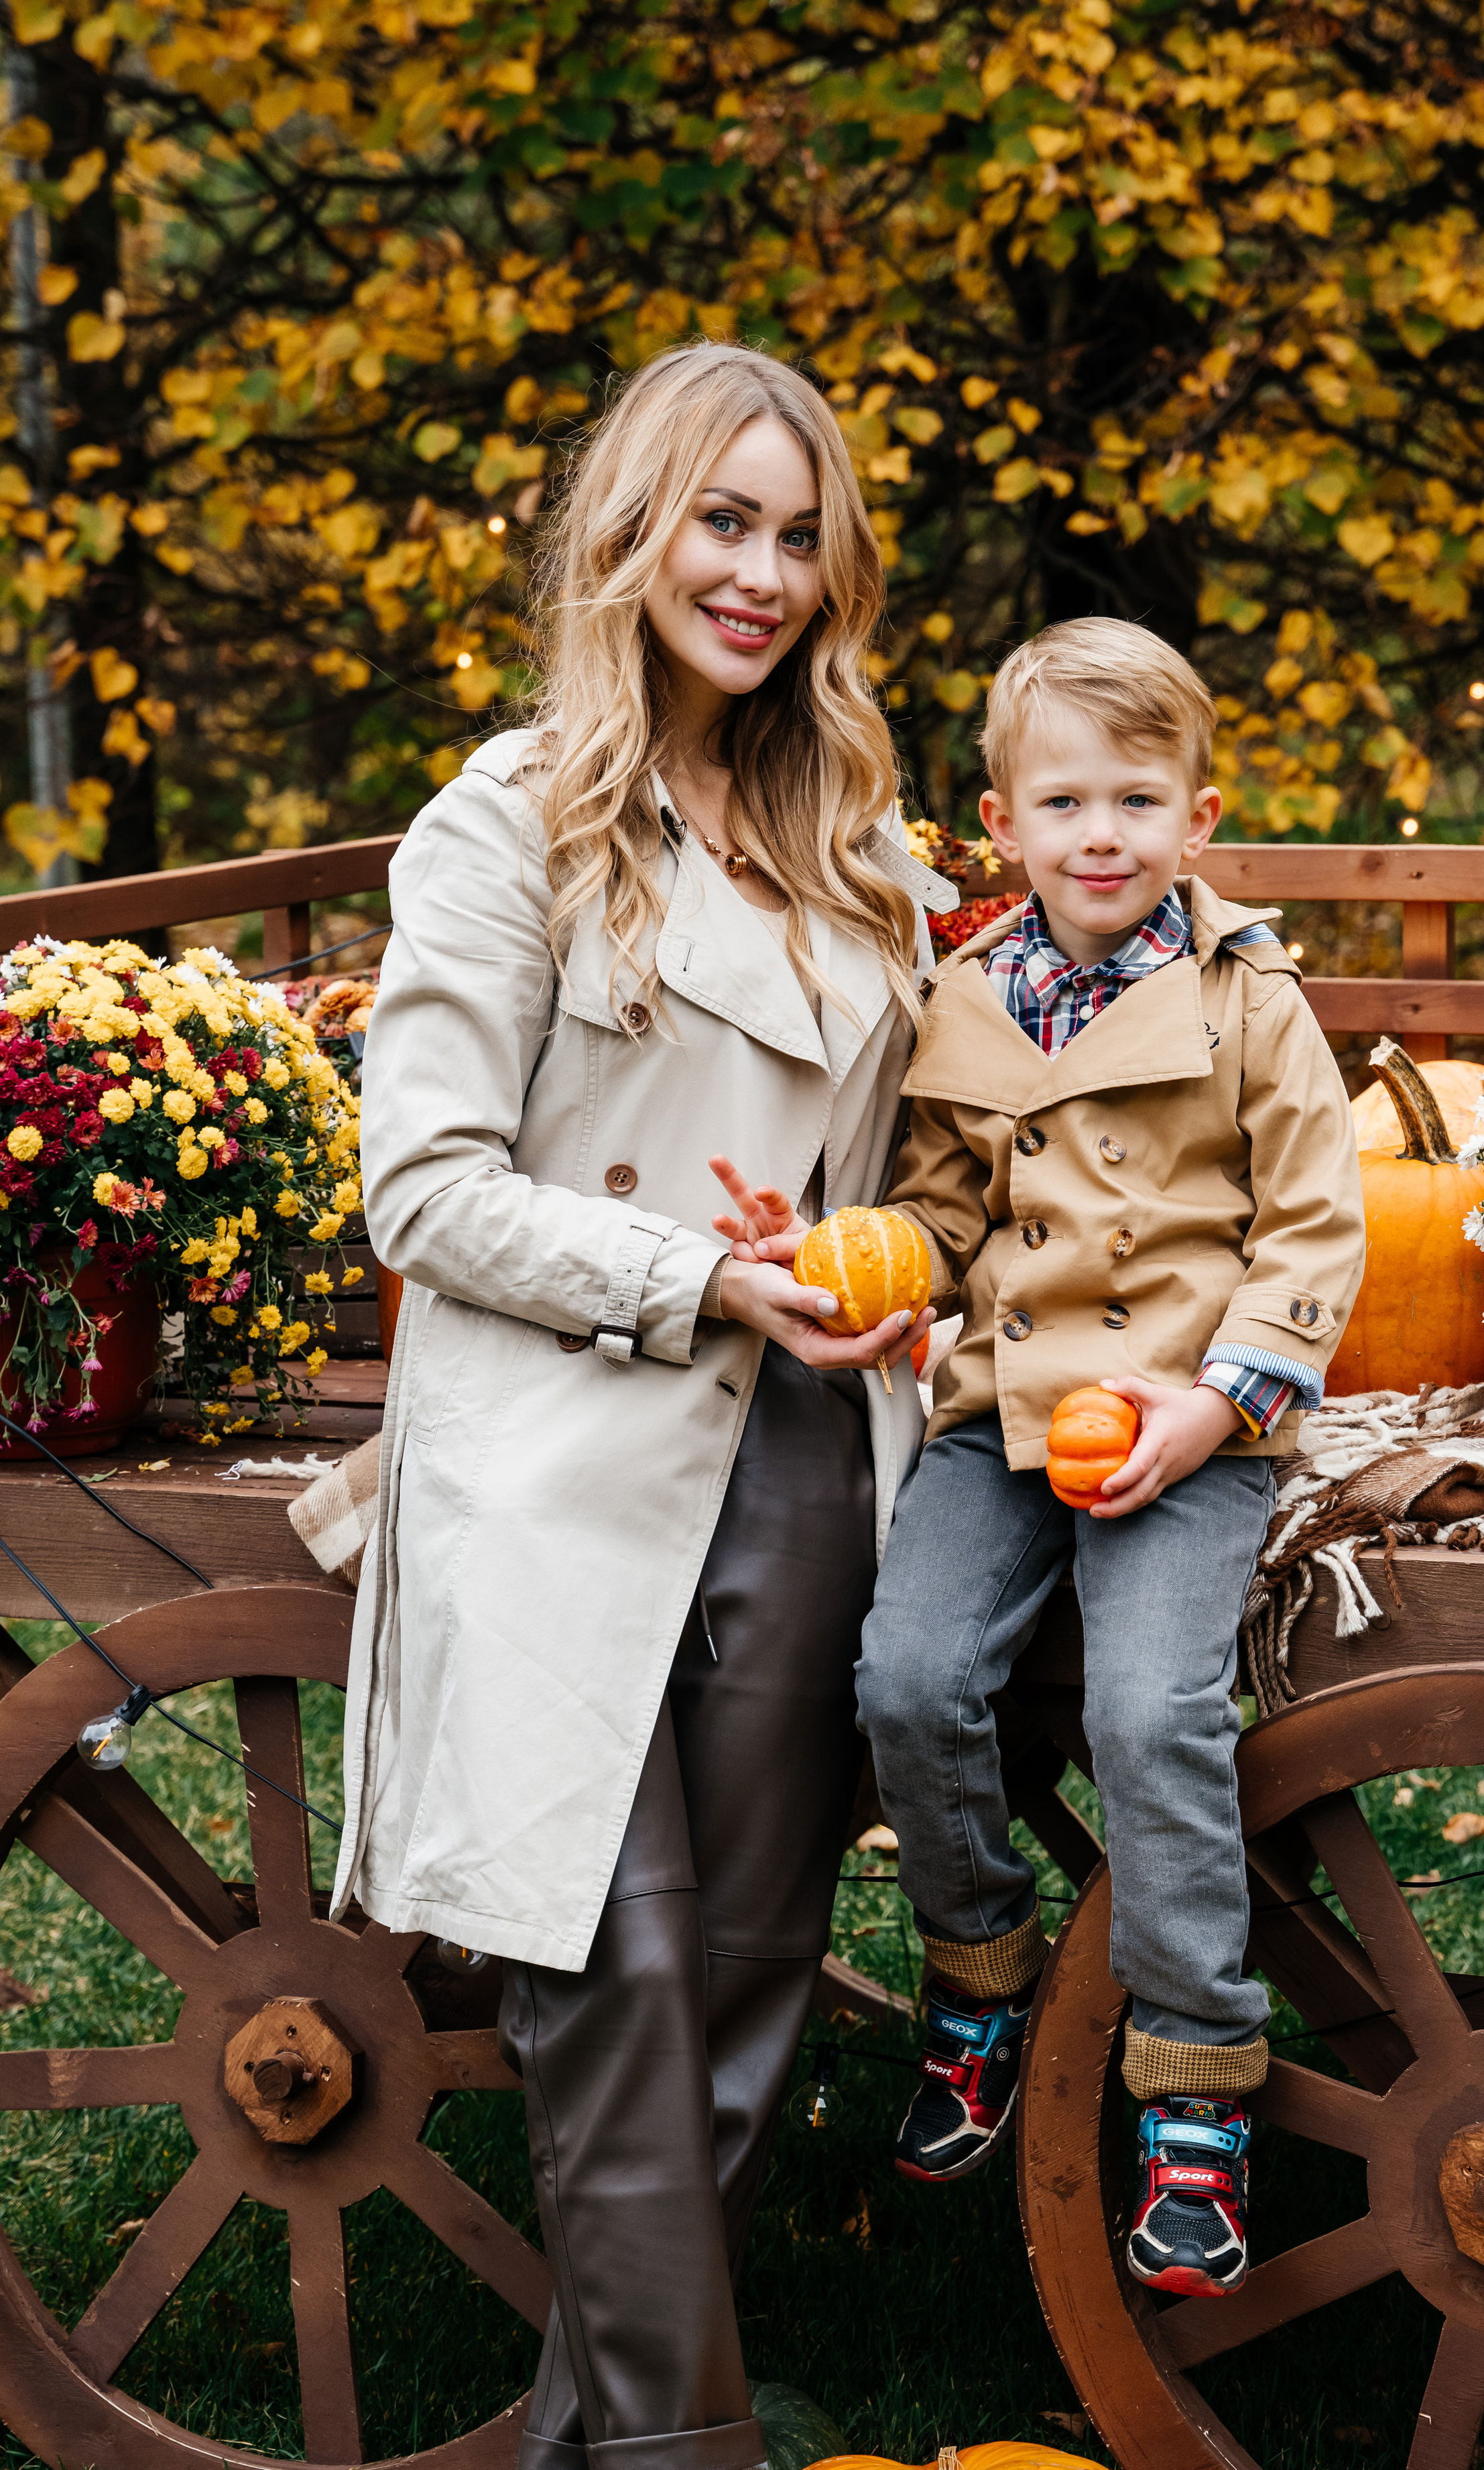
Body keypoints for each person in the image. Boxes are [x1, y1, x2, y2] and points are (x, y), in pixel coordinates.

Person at [330, 342, 942, 2469]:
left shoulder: (853, 841)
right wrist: (702, 1274)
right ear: (633, 529)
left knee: (754, 1979)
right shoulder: (505, 822)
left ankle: (593, 2447)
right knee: (619, 1979)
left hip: (806, 1454)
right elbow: (424, 1184)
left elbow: (920, 1153)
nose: (760, 574)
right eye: (724, 520)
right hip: (567, 1462)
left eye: (798, 536)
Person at [856, 618, 1366, 2296]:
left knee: (1151, 1714)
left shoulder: (1249, 1001)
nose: (1100, 834)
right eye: (1061, 799)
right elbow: (941, 1211)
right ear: (998, 821)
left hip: (1178, 1416)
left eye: (1136, 800)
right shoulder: (964, 997)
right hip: (1003, 1414)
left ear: (1196, 820)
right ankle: (978, 1964)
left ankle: (1197, 2083)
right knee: (908, 1680)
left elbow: (1311, 1229)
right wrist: (857, 1265)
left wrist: (1214, 1408)